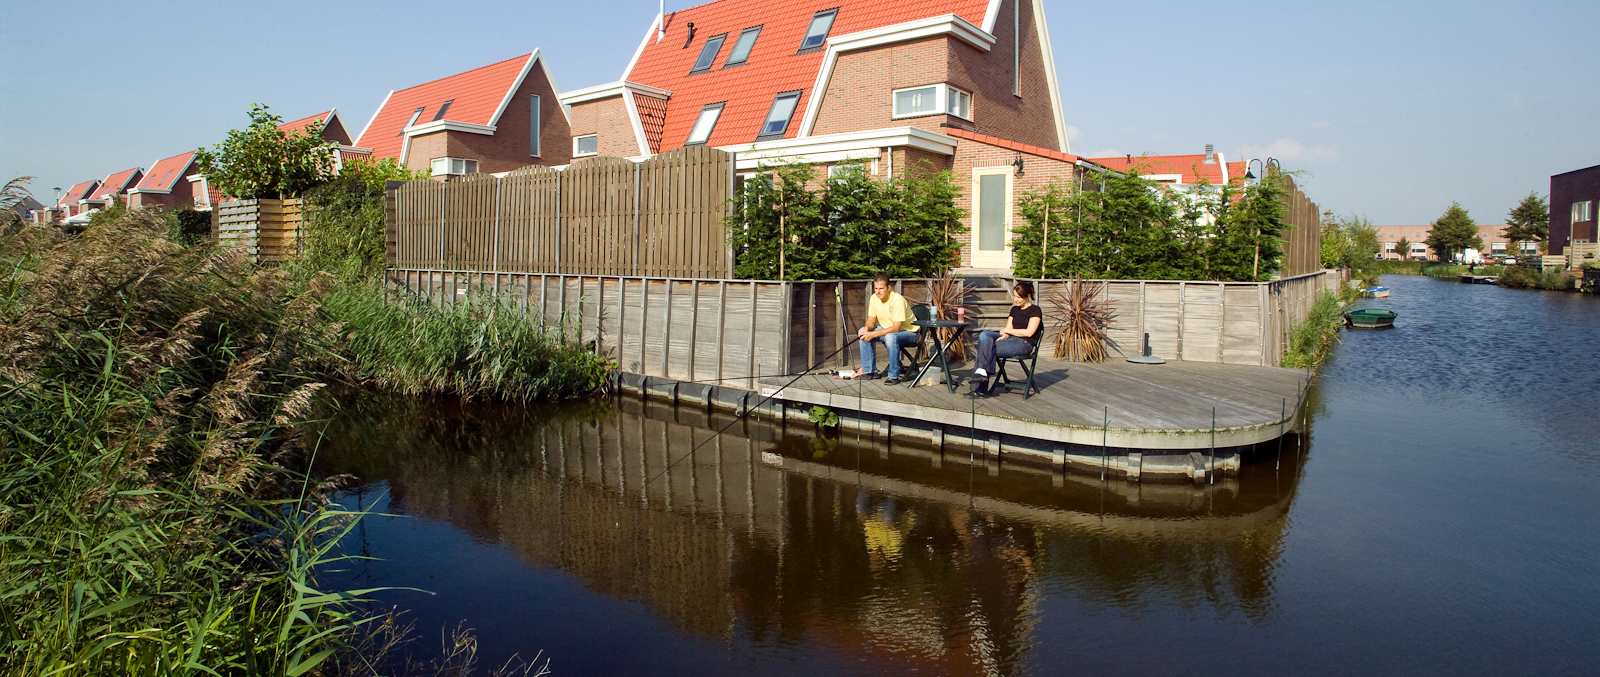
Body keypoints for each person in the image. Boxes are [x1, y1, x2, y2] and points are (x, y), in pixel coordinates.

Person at [970, 281, 1042, 396]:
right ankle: (982, 373)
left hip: (1024, 344)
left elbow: (1029, 332)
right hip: (1011, 340)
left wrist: (1008, 331)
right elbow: (1007, 330)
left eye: (1019, 297)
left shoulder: (1035, 310)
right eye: (1014, 296)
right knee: (984, 335)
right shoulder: (1014, 310)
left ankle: (978, 389)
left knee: (985, 349)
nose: (1015, 299)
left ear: (1028, 296)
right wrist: (1004, 336)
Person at [852, 273, 918, 385]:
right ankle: (870, 372)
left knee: (890, 337)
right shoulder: (874, 298)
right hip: (889, 330)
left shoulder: (897, 300)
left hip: (910, 333)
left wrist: (873, 335)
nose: (878, 292)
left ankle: (893, 376)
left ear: (888, 288)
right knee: (861, 331)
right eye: (876, 288)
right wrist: (867, 328)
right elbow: (871, 321)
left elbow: (896, 328)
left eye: (881, 288)